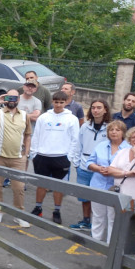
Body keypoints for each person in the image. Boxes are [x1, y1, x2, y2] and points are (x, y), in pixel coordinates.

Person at [29, 91, 81, 224]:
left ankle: (56, 211)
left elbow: (75, 140)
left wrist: (69, 157)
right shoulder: (44, 117)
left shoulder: (72, 119)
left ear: (66, 102)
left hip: (61, 157)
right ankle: (38, 208)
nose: (58, 105)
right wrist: (34, 154)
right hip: (42, 156)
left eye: (61, 102)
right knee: (41, 184)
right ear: (52, 102)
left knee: (58, 186)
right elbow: (36, 136)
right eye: (56, 102)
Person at [0, 89, 33, 227]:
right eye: (9, 97)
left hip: (18, 158)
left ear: (18, 100)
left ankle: (19, 214)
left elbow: (28, 134)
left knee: (19, 187)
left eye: (15, 98)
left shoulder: (24, 115)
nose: (12, 100)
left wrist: (26, 153)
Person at [70, 99, 110, 231]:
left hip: (101, 169)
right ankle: (86, 221)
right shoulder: (85, 126)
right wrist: (76, 163)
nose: (95, 110)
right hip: (84, 167)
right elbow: (78, 145)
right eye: (93, 107)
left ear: (105, 110)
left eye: (99, 107)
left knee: (99, 198)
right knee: (84, 196)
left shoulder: (110, 128)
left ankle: (99, 226)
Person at [87, 120, 129, 242]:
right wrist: (98, 168)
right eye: (111, 130)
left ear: (123, 133)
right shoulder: (101, 145)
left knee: (113, 218)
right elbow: (90, 162)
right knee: (97, 216)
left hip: (117, 188)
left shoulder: (128, 148)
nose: (114, 132)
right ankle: (96, 241)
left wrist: (113, 171)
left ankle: (111, 246)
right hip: (98, 185)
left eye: (117, 130)